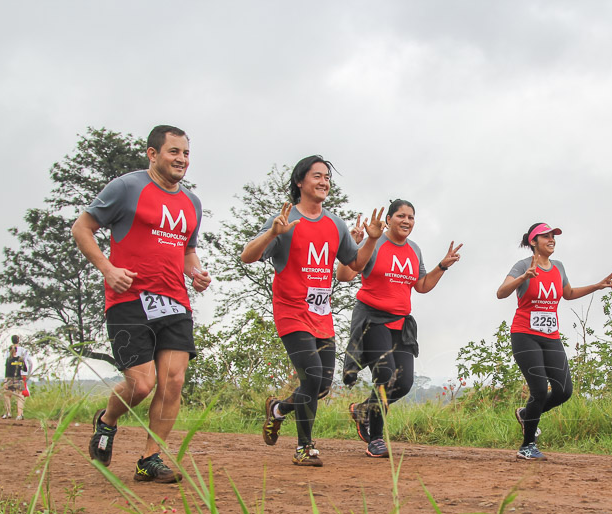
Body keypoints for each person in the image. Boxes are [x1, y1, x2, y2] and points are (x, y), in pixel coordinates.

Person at [71, 124, 211, 484]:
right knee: (142, 384)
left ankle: (150, 459)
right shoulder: (127, 187)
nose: (181, 159)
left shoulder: (192, 203)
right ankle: (107, 421)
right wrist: (107, 268)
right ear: (153, 154)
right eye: (173, 152)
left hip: (175, 302)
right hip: (129, 299)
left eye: (186, 153)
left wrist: (195, 272)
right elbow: (81, 228)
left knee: (173, 382)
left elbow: (187, 251)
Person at [241, 155, 383, 467]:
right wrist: (272, 234)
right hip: (290, 311)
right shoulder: (285, 219)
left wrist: (371, 239)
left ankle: (278, 410)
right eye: (317, 176)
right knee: (312, 376)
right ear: (300, 181)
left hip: (321, 316)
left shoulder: (335, 224)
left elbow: (354, 265)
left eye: (327, 178)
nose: (323, 183)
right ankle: (304, 448)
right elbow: (247, 256)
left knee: (320, 385)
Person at [337, 199, 461, 457]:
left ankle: (363, 410)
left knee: (403, 383)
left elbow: (422, 286)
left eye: (411, 217)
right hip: (372, 318)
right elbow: (345, 276)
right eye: (401, 216)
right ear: (389, 219)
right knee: (385, 374)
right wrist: (354, 243)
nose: (406, 221)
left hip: (400, 323)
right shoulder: (374, 242)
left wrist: (443, 266)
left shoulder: (414, 249)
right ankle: (377, 439)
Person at [496, 223, 612, 461]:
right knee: (539, 390)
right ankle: (527, 446)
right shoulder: (523, 265)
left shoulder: (558, 267)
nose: (551, 240)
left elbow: (568, 294)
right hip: (525, 334)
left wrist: (597, 285)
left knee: (563, 391)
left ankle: (525, 413)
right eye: (546, 237)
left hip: (551, 337)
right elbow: (501, 293)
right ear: (533, 242)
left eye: (553, 237)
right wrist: (523, 277)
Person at [1, 343, 27, 420]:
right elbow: (25, 369)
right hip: (19, 380)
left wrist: (5, 382)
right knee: (20, 397)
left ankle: (8, 413)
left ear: (10, 351)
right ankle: (19, 415)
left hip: (10, 380)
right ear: (16, 351)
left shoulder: (8, 360)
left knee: (7, 395)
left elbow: (7, 372)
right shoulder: (20, 359)